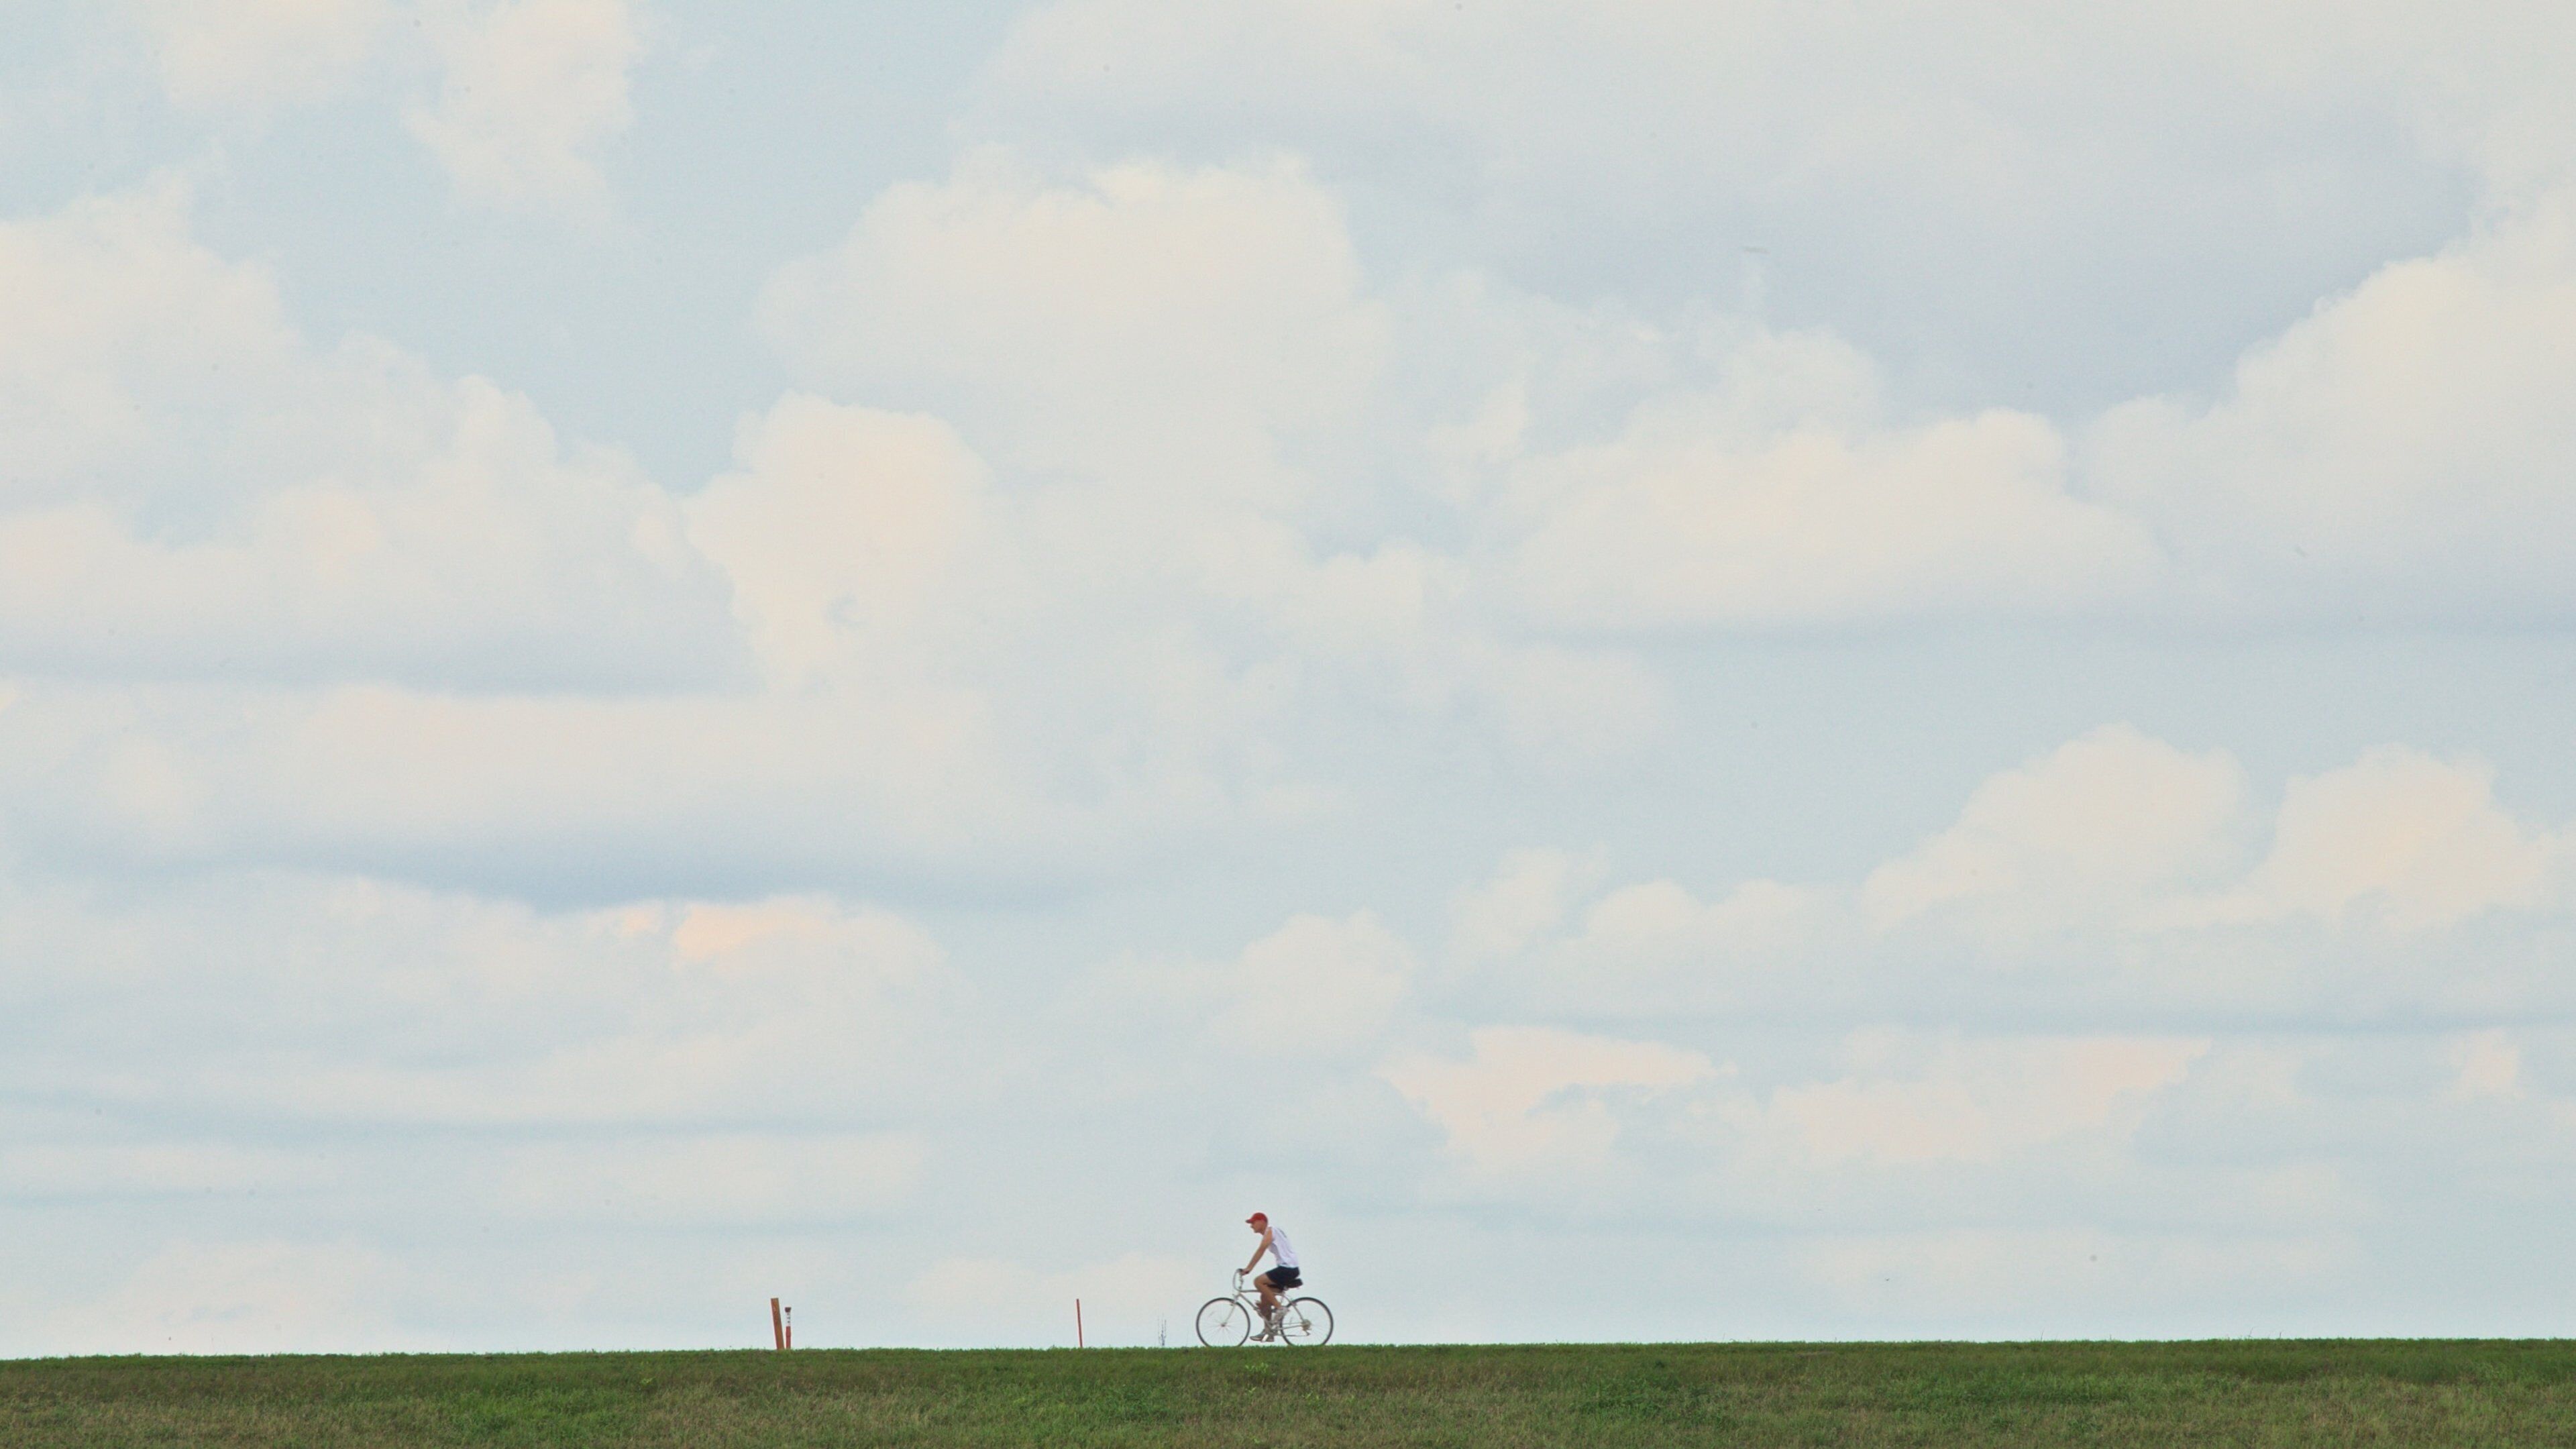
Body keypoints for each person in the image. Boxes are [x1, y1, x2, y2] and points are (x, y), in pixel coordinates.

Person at [1240, 1212, 1301, 1338]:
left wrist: (1249, 1268)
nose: (1251, 1226)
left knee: (1258, 1282)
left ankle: (1280, 1309)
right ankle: (1269, 1332)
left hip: (1288, 1268)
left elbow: (1261, 1250)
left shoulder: (1270, 1231)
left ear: (1262, 1222)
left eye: (1253, 1222)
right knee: (1264, 1299)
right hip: (1287, 1268)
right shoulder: (1270, 1233)